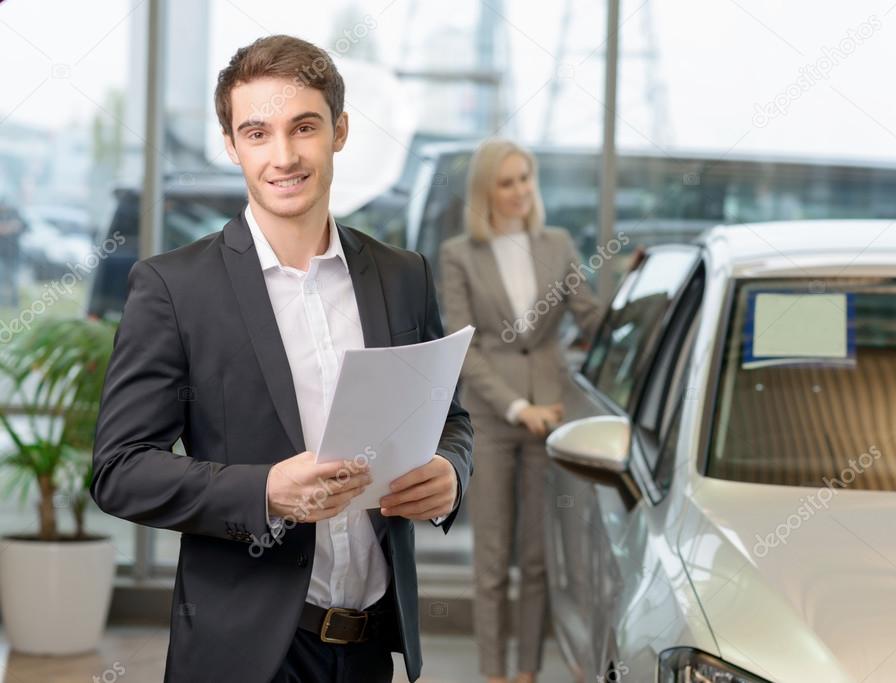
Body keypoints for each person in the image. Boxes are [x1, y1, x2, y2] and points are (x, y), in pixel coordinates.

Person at [91, 35, 473, 683]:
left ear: (340, 131)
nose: (284, 155)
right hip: (245, 652)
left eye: (304, 127)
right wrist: (265, 491)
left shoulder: (402, 275)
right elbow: (120, 470)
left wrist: (452, 472)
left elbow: (451, 418)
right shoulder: (175, 289)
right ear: (232, 144)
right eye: (257, 132)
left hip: (370, 645)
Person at [439, 138, 603, 683]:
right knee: (491, 560)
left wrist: (641, 299)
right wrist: (515, 406)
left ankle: (527, 674)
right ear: (486, 190)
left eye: (525, 179)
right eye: (506, 182)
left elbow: (591, 316)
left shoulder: (556, 243)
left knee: (537, 560)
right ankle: (493, 674)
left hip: (553, 412)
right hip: (492, 416)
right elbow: (466, 345)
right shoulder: (460, 254)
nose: (518, 191)